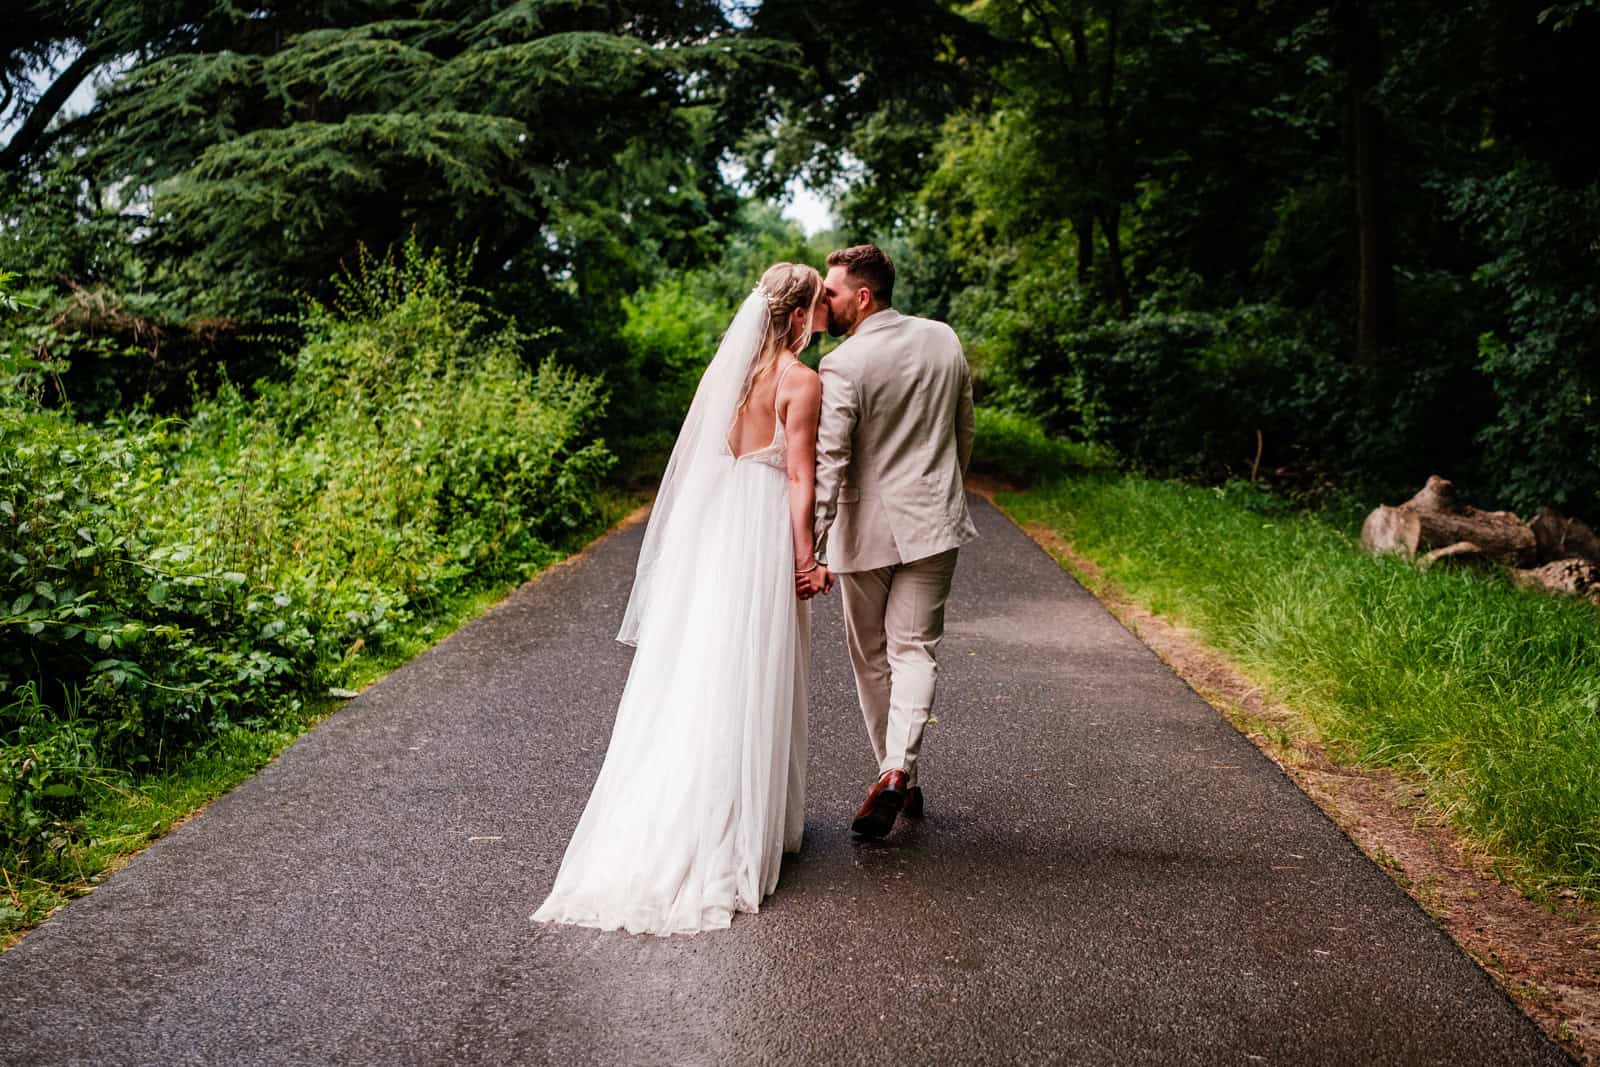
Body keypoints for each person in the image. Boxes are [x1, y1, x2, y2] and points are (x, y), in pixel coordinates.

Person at [531, 264, 827, 936]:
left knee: (704, 666)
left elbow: (700, 464)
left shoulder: (724, 377)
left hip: (718, 528)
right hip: (758, 531)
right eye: (816, 309)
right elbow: (801, 481)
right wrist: (805, 559)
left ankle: (697, 805)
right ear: (801, 315)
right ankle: (735, 824)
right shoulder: (800, 381)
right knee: (754, 667)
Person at [802, 244, 978, 839]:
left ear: (862, 295)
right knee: (916, 650)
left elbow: (831, 459)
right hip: (935, 521)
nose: (825, 299)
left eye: (831, 291)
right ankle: (899, 771)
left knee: (872, 658)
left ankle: (894, 771)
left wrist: (815, 545)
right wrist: (947, 489)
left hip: (864, 530)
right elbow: (964, 428)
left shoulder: (842, 364)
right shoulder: (943, 339)